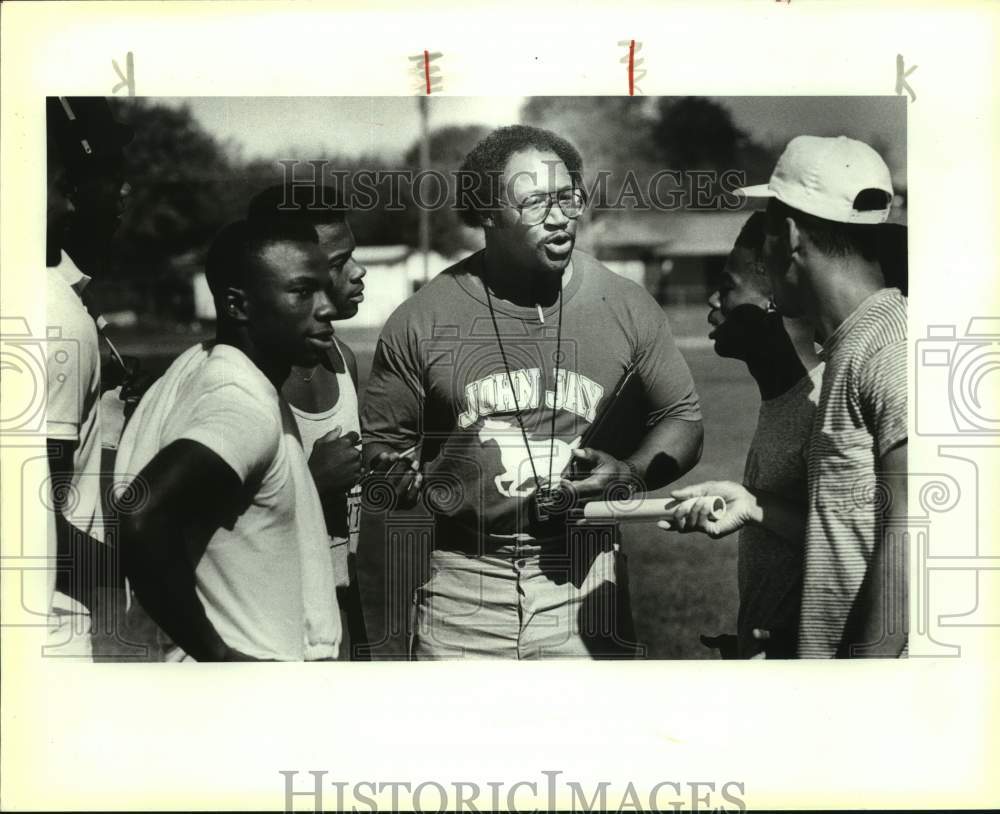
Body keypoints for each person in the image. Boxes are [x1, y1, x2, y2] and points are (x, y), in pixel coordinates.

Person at [362, 124, 703, 659]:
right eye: (536, 201)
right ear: (487, 215)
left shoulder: (625, 304)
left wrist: (632, 473)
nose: (561, 216)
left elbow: (682, 418)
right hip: (461, 585)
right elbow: (383, 447)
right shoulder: (422, 319)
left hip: (587, 577)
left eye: (569, 197)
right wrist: (396, 475)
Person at [664, 136, 908, 658]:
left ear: (791, 236)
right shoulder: (855, 345)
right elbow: (851, 535)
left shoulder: (890, 344)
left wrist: (863, 686)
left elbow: (917, 535)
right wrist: (754, 505)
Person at [115, 218, 343, 661]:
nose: (326, 307)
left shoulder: (224, 377)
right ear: (238, 306)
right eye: (302, 292)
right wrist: (218, 656)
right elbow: (140, 513)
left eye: (324, 288)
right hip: (248, 703)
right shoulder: (241, 404)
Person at [247, 183, 370, 659]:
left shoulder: (343, 358)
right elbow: (213, 525)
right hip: (273, 619)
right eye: (338, 264)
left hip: (340, 602)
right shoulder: (251, 379)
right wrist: (312, 481)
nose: (358, 274)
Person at [697, 212, 823, 659]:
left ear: (775, 298)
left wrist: (751, 506)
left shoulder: (820, 406)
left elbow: (850, 542)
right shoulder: (781, 400)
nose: (713, 299)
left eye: (728, 287)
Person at [45, 96, 133, 659]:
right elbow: (31, 509)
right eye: (111, 175)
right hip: (54, 616)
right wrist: (140, 568)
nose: (126, 192)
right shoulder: (54, 314)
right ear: (67, 188)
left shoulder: (67, 298)